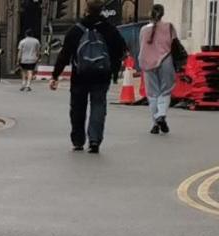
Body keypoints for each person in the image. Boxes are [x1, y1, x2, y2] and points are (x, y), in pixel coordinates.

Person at [49, 1, 131, 153]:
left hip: (80, 75)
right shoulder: (109, 29)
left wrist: (55, 75)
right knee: (98, 106)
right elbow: (120, 49)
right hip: (101, 75)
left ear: (86, 10)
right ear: (101, 11)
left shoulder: (76, 30)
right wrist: (113, 70)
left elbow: (64, 54)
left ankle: (78, 140)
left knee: (77, 108)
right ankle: (94, 141)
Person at [138, 3, 180, 133]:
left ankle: (155, 123)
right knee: (165, 91)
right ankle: (161, 115)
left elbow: (141, 46)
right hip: (165, 61)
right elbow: (175, 44)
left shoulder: (143, 30)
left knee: (152, 94)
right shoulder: (169, 27)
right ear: (162, 14)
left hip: (147, 62)